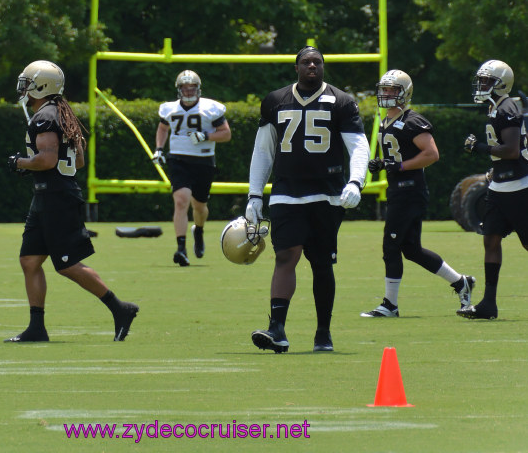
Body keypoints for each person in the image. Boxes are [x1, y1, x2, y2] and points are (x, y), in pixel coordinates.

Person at [245, 46, 369, 354]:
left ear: (323, 67)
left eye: (317, 61)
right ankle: (277, 328)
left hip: (327, 195)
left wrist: (356, 181)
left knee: (321, 263)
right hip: (287, 193)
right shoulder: (275, 100)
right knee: (286, 256)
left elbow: (359, 147)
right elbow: (263, 151)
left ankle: (323, 332)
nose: (311, 65)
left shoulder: (342, 101)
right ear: (296, 67)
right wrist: (254, 195)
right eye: (305, 61)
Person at [6, 59, 138, 342]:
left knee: (66, 264)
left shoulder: (46, 117)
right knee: (30, 260)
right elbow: (77, 161)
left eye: (28, 83)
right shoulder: (59, 113)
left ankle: (120, 308)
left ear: (41, 85)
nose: (24, 89)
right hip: (48, 195)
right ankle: (37, 328)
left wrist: (20, 163)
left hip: (57, 198)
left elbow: (48, 159)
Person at [361, 69, 475, 319]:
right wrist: (382, 163)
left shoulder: (413, 121)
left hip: (409, 192)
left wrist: (398, 166)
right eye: (385, 89)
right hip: (399, 191)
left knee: (391, 245)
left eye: (392, 89)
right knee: (411, 249)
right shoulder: (385, 120)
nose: (386, 94)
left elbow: (431, 154)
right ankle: (461, 282)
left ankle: (390, 305)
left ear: (404, 93)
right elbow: (398, 155)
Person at [457, 59, 528, 320]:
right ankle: (488, 304)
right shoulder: (495, 106)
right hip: (500, 186)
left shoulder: (507, 106)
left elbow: (511, 150)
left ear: (502, 83)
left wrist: (480, 148)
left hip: (520, 187)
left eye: (487, 80)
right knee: (491, 238)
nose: (482, 84)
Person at [152, 70, 231, 266]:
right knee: (181, 200)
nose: (188, 92)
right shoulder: (170, 109)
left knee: (200, 207)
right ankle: (181, 248)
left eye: (192, 88)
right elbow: (163, 128)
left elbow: (226, 134)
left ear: (198, 88)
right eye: (185, 88)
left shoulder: (210, 108)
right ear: (179, 90)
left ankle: (199, 229)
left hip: (203, 161)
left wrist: (206, 136)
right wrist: (159, 149)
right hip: (178, 160)